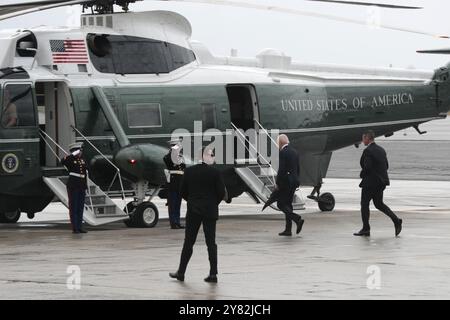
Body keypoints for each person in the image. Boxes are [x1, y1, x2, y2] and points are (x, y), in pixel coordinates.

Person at [169, 147, 226, 283]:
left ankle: (181, 272)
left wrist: (193, 201)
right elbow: (221, 192)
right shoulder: (215, 173)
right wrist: (213, 203)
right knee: (211, 243)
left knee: (188, 242)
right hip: (210, 211)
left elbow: (182, 191)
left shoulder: (189, 171)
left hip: (194, 210)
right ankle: (213, 274)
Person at [354, 130, 402, 237]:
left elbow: (367, 166)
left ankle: (366, 228)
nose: (362, 141)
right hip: (381, 182)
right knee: (379, 204)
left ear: (367, 138)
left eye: (363, 138)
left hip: (370, 182)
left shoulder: (368, 151)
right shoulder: (381, 150)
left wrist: (362, 174)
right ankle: (396, 220)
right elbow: (386, 166)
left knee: (364, 204)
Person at [276, 134, 304, 236]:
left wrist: (278, 183)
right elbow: (298, 168)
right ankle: (288, 229)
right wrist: (297, 180)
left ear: (280, 143)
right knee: (288, 204)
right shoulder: (295, 152)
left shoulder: (283, 152)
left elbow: (282, 169)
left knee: (281, 204)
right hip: (294, 181)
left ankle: (297, 219)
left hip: (286, 182)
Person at [61, 142, 88, 234]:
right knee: (74, 207)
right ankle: (75, 228)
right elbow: (63, 161)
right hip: (73, 185)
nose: (80, 152)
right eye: (78, 151)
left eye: (80, 151)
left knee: (80, 207)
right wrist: (73, 154)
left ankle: (80, 227)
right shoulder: (70, 160)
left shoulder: (82, 160)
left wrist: (85, 186)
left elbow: (85, 174)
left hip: (81, 185)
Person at [163, 138, 186, 229]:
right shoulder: (169, 156)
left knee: (178, 203)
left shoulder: (179, 156)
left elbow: (183, 167)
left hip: (179, 181)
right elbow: (170, 160)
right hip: (173, 181)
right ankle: (173, 223)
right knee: (173, 203)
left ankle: (177, 222)